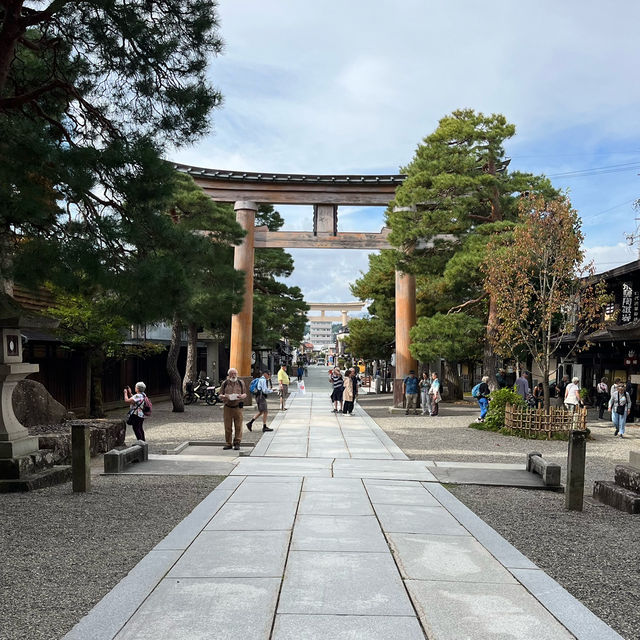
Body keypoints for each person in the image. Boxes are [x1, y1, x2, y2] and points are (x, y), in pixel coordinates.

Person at [219, 368, 248, 450]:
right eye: (232, 374)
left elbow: (245, 393)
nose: (234, 375)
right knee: (228, 426)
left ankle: (237, 442)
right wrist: (223, 396)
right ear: (229, 375)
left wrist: (242, 396)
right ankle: (228, 443)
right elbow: (220, 394)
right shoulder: (225, 383)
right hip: (227, 407)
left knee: (238, 426)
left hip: (238, 407)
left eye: (235, 373)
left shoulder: (240, 383)